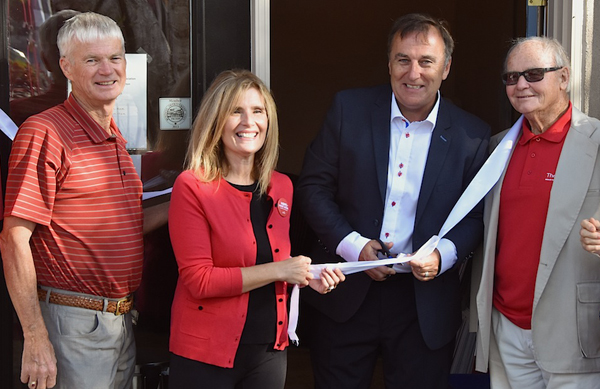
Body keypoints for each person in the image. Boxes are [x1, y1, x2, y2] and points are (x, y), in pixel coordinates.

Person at [296, 13, 490, 389]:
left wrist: (443, 256)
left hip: (423, 305)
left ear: (446, 68)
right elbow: (313, 188)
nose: (413, 73)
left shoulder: (472, 136)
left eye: (426, 62)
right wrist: (353, 248)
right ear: (389, 64)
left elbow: (476, 216)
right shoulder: (347, 110)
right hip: (345, 290)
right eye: (403, 60)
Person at [0, 12, 168, 389]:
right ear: (66, 67)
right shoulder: (45, 131)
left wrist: (189, 197)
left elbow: (126, 226)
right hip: (71, 324)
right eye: (91, 60)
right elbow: (14, 239)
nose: (106, 69)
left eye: (114, 58)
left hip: (121, 322)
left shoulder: (115, 138)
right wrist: (36, 337)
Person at [167, 69, 345, 389]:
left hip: (268, 351)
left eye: (258, 111)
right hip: (205, 353)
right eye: (236, 111)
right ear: (216, 120)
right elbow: (199, 280)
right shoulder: (192, 186)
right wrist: (281, 270)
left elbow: (276, 265)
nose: (249, 122)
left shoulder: (282, 187)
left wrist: (308, 277)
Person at [474, 36, 600, 388]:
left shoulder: (597, 141)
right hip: (508, 329)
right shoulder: (497, 148)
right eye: (511, 78)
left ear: (564, 77)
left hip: (575, 333)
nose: (520, 85)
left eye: (532, 74)